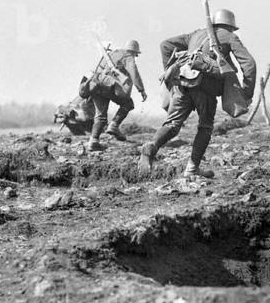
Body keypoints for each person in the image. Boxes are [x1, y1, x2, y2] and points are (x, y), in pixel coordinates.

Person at [138, 9, 256, 178]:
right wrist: (246, 92)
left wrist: (170, 76)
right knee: (205, 127)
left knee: (172, 124)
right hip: (205, 88)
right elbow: (249, 63)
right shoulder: (228, 36)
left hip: (182, 82)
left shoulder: (196, 34)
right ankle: (192, 169)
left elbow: (165, 45)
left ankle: (151, 146)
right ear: (231, 26)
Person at [87, 40, 147, 150]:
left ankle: (93, 141)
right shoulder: (128, 56)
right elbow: (134, 72)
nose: (135, 56)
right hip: (109, 86)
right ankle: (113, 125)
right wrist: (141, 89)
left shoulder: (112, 53)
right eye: (136, 54)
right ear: (134, 51)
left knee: (100, 115)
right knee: (128, 104)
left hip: (96, 85)